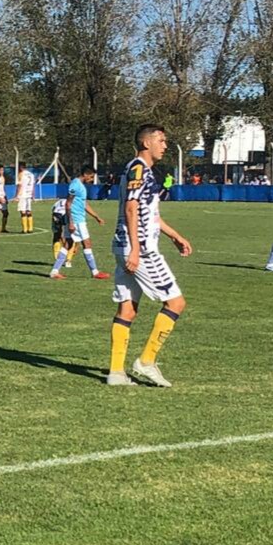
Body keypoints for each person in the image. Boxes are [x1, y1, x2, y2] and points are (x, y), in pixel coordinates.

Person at [107, 125, 193, 387]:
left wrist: (175, 235)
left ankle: (116, 373)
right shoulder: (138, 169)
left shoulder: (143, 171)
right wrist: (136, 248)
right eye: (161, 140)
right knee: (176, 303)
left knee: (127, 308)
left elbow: (151, 215)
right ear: (146, 143)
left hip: (125, 246)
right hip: (140, 249)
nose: (165, 145)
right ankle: (146, 361)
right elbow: (131, 209)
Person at [50, 166, 110, 280]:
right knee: (87, 243)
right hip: (76, 220)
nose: (92, 180)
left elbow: (84, 203)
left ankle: (54, 271)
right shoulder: (76, 185)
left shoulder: (80, 186)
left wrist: (96, 217)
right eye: (91, 177)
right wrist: (71, 222)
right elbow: (68, 204)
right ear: (86, 174)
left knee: (68, 244)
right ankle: (95, 272)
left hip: (76, 219)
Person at [15, 166, 35, 232]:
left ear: (21, 167)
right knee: (28, 210)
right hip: (29, 194)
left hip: (22, 194)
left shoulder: (21, 174)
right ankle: (30, 228)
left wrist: (16, 195)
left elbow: (19, 185)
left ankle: (25, 229)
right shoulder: (31, 174)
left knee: (22, 211)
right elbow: (33, 185)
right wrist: (33, 194)